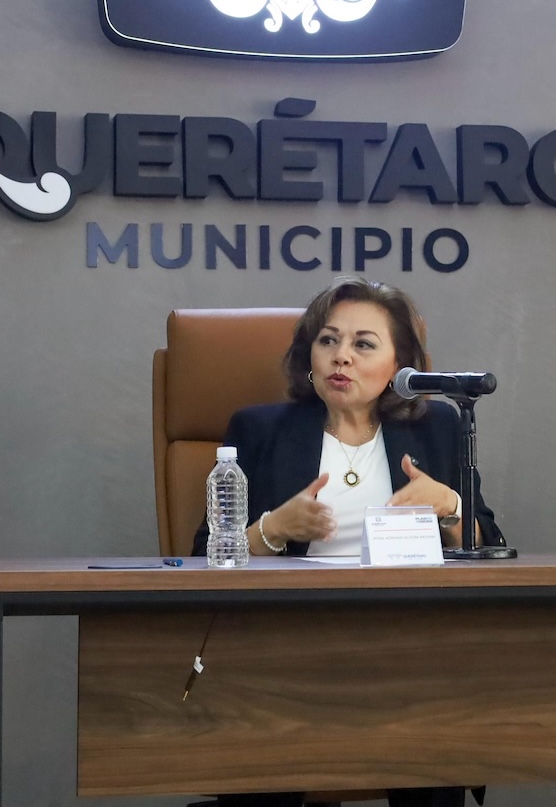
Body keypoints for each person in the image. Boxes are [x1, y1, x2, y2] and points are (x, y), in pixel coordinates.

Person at [192, 276, 506, 807]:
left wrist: (450, 506)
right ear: (309, 357)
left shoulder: (438, 426)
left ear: (399, 366)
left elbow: (490, 546)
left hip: (408, 647)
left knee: (434, 714)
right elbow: (201, 555)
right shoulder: (259, 430)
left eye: (364, 344)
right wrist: (273, 529)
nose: (342, 357)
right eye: (328, 340)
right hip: (284, 648)